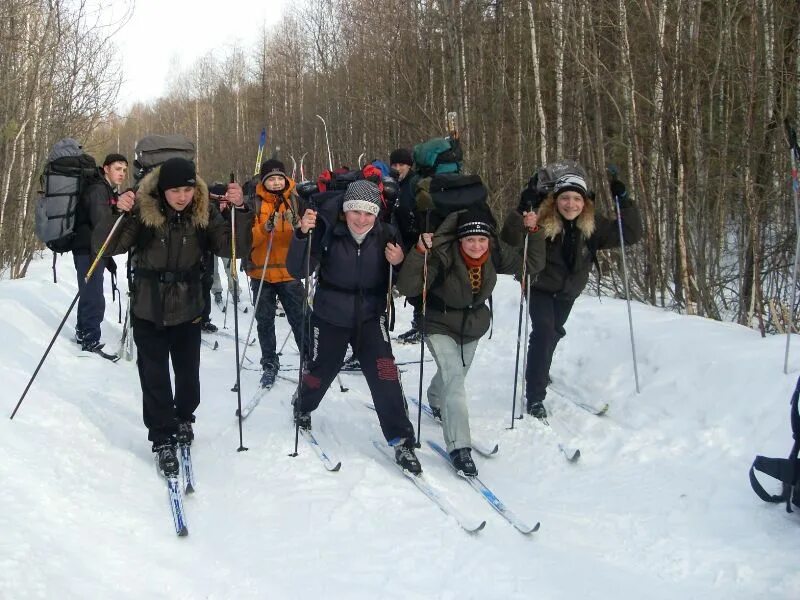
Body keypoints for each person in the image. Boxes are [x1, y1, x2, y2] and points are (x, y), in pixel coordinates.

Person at [92, 157, 253, 476]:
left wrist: (240, 211)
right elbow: (107, 247)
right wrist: (117, 212)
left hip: (189, 306)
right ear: (163, 190)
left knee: (188, 377)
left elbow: (231, 248)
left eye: (188, 189)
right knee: (154, 378)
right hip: (148, 306)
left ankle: (184, 419)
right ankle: (162, 437)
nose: (182, 196)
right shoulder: (143, 210)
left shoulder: (203, 211)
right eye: (176, 190)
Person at [287, 180, 423, 474]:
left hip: (371, 318)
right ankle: (303, 404)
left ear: (376, 214)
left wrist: (399, 263)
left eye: (368, 213)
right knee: (321, 370)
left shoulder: (386, 234)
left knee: (386, 373)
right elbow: (297, 270)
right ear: (345, 211)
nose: (361, 219)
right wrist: (301, 235)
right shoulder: (328, 233)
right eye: (355, 212)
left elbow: (404, 280)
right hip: (330, 315)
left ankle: (402, 440)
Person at [396, 206, 545, 476]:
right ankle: (459, 447)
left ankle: (434, 397)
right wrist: (419, 253)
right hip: (438, 323)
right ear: (460, 240)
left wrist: (532, 232)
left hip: (472, 326)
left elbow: (530, 264)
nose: (476, 246)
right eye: (470, 239)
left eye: (481, 239)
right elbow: (407, 287)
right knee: (454, 378)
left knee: (456, 375)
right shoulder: (442, 254)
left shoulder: (495, 254)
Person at [501, 169, 642, 419]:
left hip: (568, 291)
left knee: (553, 333)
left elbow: (629, 234)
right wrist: (522, 208)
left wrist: (626, 200)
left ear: (584, 202)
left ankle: (540, 369)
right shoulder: (542, 220)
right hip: (539, 286)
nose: (571, 204)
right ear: (556, 200)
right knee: (544, 331)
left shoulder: (592, 225)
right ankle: (535, 396)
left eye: (577, 199)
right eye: (565, 198)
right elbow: (511, 239)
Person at [247, 159, 306, 389]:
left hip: (289, 272)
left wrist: (298, 227)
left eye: (279, 178)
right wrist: (264, 228)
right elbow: (246, 241)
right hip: (261, 273)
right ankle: (269, 362)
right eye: (271, 179)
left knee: (301, 318)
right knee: (265, 321)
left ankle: (309, 358)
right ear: (264, 181)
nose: (275, 182)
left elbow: (307, 235)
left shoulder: (295, 201)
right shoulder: (254, 202)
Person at [72, 153, 128, 352]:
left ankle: (83, 332)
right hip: (88, 249)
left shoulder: (105, 189)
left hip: (92, 248)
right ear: (106, 169)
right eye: (117, 169)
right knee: (93, 294)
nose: (122, 173)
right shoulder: (98, 190)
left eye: (124, 170)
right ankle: (90, 337)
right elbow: (101, 225)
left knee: (90, 291)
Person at [389, 148, 425, 345]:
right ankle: (419, 324)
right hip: (403, 241)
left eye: (401, 164)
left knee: (416, 286)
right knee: (410, 285)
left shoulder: (414, 184)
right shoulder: (396, 184)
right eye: (394, 165)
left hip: (415, 242)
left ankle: (422, 326)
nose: (397, 168)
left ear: (409, 166)